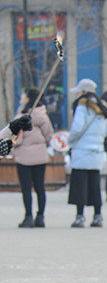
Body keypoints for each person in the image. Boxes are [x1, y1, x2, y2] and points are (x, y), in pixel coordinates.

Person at [66, 79, 107, 228]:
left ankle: (80, 216)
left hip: (82, 151)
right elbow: (106, 131)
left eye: (78, 91)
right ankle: (97, 216)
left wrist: (70, 141)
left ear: (84, 92)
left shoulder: (82, 106)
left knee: (79, 185)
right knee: (95, 185)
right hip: (96, 152)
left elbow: (77, 128)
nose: (77, 94)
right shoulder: (102, 108)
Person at [13, 90, 52, 228]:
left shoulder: (22, 116)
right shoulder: (43, 115)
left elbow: (17, 139)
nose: (21, 97)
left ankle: (28, 217)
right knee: (40, 187)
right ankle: (40, 217)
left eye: (23, 95)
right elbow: (49, 134)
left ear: (28, 98)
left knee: (26, 188)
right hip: (40, 156)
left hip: (24, 157)